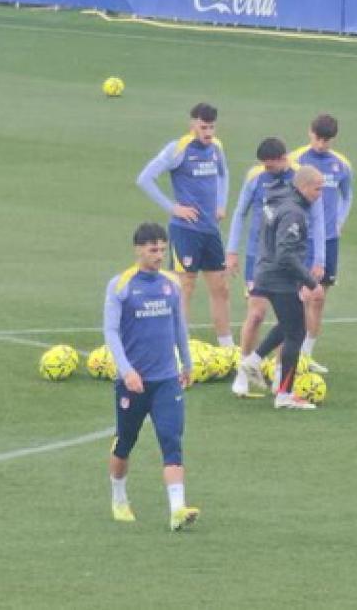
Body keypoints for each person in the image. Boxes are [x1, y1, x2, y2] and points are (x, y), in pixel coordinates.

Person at [103, 222, 199, 531]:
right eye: (153, 250)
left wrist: (186, 362)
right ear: (138, 249)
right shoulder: (121, 285)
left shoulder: (171, 283)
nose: (159, 255)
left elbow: (178, 327)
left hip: (166, 380)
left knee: (172, 441)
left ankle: (177, 510)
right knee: (125, 442)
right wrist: (126, 370)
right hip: (133, 383)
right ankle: (119, 498)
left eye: (162, 249)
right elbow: (111, 332)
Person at [225, 138, 326, 398]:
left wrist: (318, 260)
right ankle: (250, 372)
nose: (268, 171)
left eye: (271, 167)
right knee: (260, 316)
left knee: (289, 320)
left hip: (280, 260)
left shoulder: (299, 181)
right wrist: (232, 250)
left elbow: (317, 220)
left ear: (283, 159)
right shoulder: (260, 180)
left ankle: (274, 372)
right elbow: (240, 212)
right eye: (265, 167)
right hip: (268, 260)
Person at [136, 103, 233, 348]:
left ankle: (227, 345)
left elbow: (224, 174)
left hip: (211, 230)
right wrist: (173, 208)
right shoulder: (178, 149)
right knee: (185, 286)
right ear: (192, 125)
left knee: (221, 287)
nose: (208, 132)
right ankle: (180, 344)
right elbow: (145, 179)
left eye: (211, 127)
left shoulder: (216, 147)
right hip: (186, 230)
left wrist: (221, 203)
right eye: (203, 127)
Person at [289, 114, 353, 373]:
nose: (321, 145)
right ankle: (291, 352)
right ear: (310, 133)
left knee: (318, 298)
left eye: (326, 141)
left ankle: (307, 354)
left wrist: (339, 219)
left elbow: (347, 195)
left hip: (328, 240)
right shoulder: (296, 161)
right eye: (318, 139)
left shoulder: (341, 165)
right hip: (302, 240)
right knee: (298, 298)